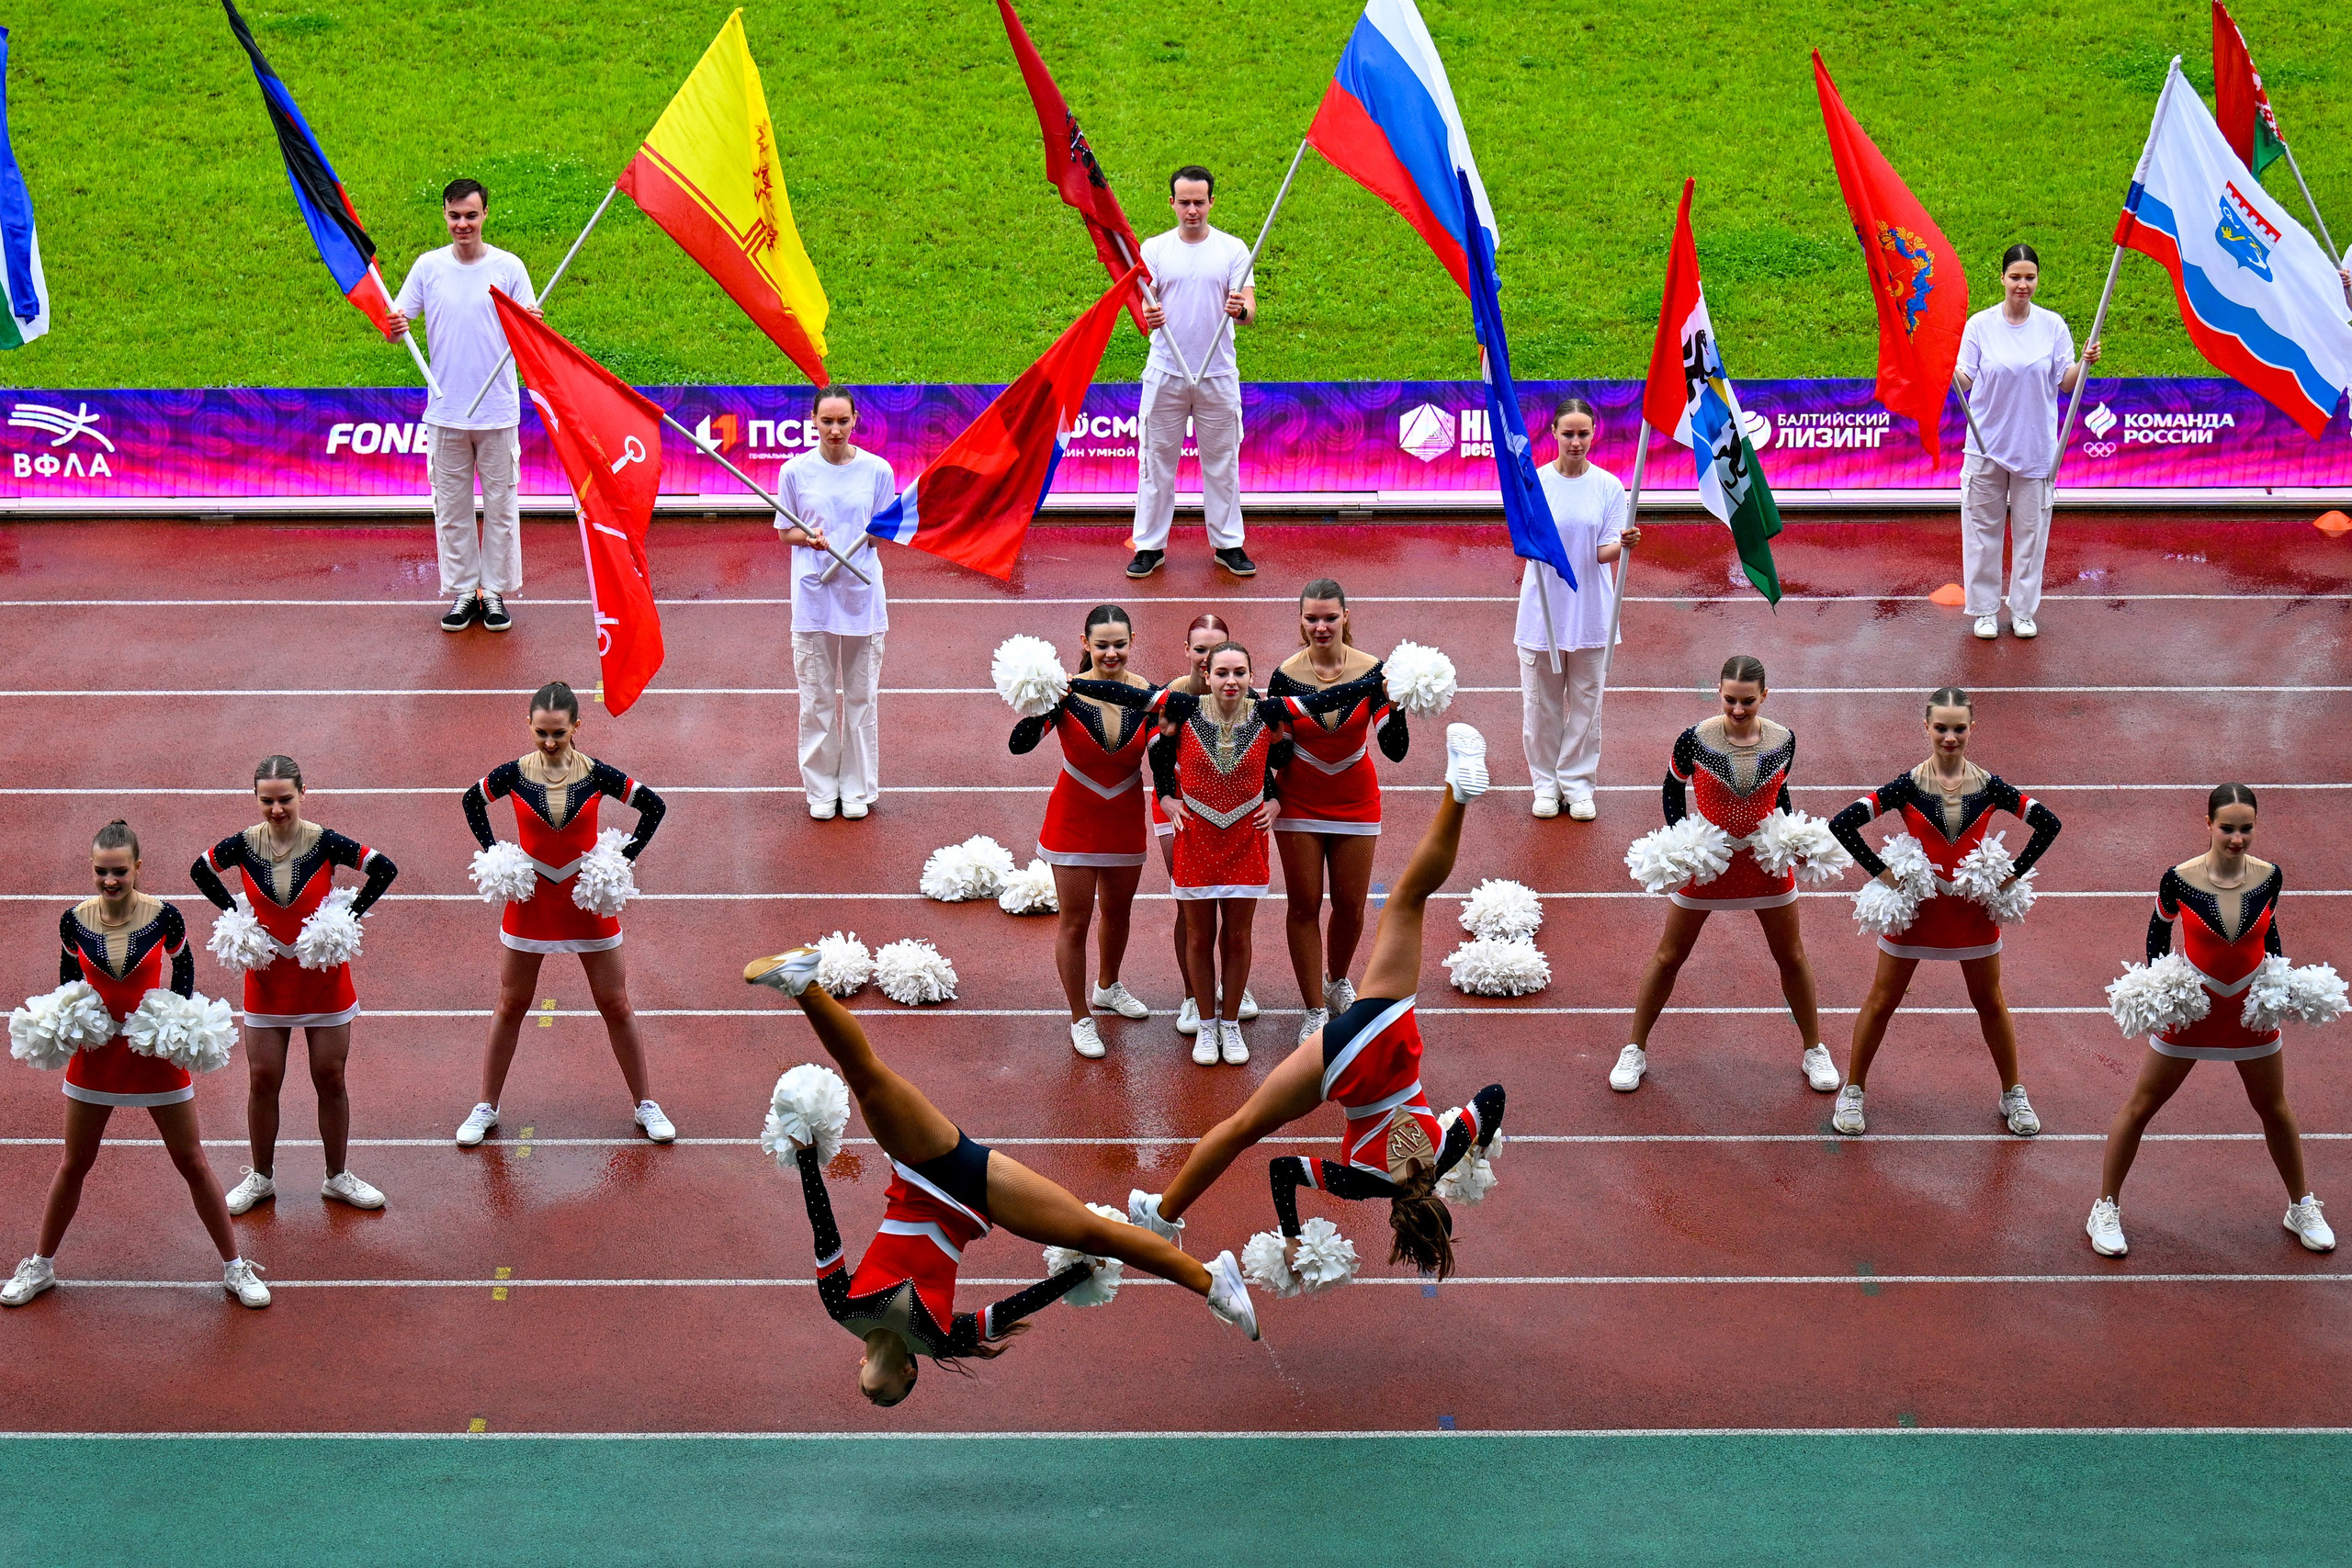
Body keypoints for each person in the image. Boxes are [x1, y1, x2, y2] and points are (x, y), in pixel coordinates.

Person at [744, 945, 1260, 1404]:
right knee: (1097, 1233)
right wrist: (1076, 1275)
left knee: (867, 1077)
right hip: (978, 1194)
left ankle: (804, 982)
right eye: (897, 1396)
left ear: (861, 1364)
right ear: (908, 1371)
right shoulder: (938, 1340)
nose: (882, 1397)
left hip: (922, 1169)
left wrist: (808, 1159)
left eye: (878, 1399)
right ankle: (1213, 1281)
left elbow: (824, 1233)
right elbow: (1006, 1313)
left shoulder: (843, 1308)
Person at [1126, 725, 1498, 1280]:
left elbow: (1492, 1096)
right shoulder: (1361, 1184)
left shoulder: (1447, 1143)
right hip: (1342, 1061)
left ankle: (1457, 797)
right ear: (1397, 1223)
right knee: (1242, 1126)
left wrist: (1474, 1147)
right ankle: (1163, 1214)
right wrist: (1294, 1238)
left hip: (1390, 1024)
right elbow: (1282, 1169)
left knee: (1410, 898)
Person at [3, 822, 269, 1309]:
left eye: (120, 871)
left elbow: (183, 973)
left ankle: (236, 1267)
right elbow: (68, 981)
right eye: (102, 871)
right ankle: (39, 1265)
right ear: (92, 868)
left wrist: (175, 1022)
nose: (110, 880)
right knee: (75, 1163)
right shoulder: (74, 920)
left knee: (192, 1161)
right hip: (97, 1057)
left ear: (137, 868)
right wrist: (70, 1018)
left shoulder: (165, 916)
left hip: (153, 1054)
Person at [2087, 785, 2334, 1258]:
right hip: (2194, 1011)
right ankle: (2104, 1207)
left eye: (2246, 828)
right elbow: (2159, 929)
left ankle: (2300, 1204)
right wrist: (2162, 991)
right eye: (2228, 827)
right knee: (2141, 1106)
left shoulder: (2270, 876)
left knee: (2274, 1108)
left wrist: (2275, 984)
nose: (2237, 838)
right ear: (2208, 824)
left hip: (2247, 1012)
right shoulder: (2179, 879)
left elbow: (2270, 929)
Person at [1827, 687, 2064, 1136]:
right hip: (1916, 912)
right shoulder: (1907, 785)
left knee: (1990, 1002)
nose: (1950, 737)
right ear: (1927, 728)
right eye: (1941, 728)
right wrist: (1883, 874)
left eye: (1959, 729)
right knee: (1882, 1000)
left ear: (1972, 729)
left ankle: (2012, 1092)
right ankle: (1853, 1090)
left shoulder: (1991, 786)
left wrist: (2013, 873)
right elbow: (1843, 824)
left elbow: (2048, 823)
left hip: (1973, 916)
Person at [457, 681, 672, 1147]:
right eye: (541, 733)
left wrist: (621, 859)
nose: (550, 742)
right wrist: (497, 854)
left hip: (586, 902)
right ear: (529, 727)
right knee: (511, 1004)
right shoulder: (512, 774)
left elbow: (653, 806)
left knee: (614, 1003)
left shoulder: (597, 775)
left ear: (577, 725)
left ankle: (646, 1105)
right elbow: (471, 801)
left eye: (559, 732)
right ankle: (486, 1106)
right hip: (530, 901)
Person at [1612, 657, 1838, 1097]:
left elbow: (1780, 789)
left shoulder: (1784, 740)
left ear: (1765, 696)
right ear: (1719, 691)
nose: (1738, 709)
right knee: (1669, 956)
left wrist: (1791, 835)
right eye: (1730, 699)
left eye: (1748, 701)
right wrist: (1681, 841)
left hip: (1764, 862)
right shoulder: (1694, 740)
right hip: (1709, 862)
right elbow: (1672, 786)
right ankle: (1634, 1049)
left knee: (1791, 956)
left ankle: (1815, 1049)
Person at [1075, 644, 1308, 1066]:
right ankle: (1205, 1023)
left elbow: (1285, 751)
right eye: (1222, 672)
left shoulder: (1269, 710)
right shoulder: (1181, 707)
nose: (1231, 681)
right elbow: (1156, 750)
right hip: (1196, 834)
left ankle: (1231, 1024)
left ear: (1252, 674)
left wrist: (1274, 800)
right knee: (1198, 936)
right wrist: (1165, 797)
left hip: (1246, 836)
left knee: (1238, 936)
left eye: (1240, 672)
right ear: (1207, 672)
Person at [188, 756, 400, 1215]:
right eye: (267, 801)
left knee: (330, 1076)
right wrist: (236, 915)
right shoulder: (243, 845)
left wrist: (344, 918)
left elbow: (384, 869)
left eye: (285, 799)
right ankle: (260, 1178)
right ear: (256, 799)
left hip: (323, 980)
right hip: (267, 980)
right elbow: (200, 870)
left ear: (303, 793)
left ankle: (337, 1176)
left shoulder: (325, 842)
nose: (277, 809)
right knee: (263, 1078)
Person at [385, 177, 540, 635]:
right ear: (445, 215)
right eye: (455, 216)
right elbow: (397, 325)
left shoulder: (508, 267)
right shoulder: (428, 267)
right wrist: (392, 324)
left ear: (485, 214)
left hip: (496, 410)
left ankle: (491, 593)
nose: (462, 224)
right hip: (445, 411)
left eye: (471, 215)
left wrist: (531, 324)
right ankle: (462, 592)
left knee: (501, 506)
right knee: (451, 508)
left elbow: (531, 333)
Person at [1009, 605, 1158, 1058]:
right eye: (1102, 645)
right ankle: (1080, 1017)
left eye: (1119, 644)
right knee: (1075, 920)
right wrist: (1037, 710)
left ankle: (1108, 986)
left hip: (1124, 816)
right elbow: (1018, 745)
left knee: (1118, 912)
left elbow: (1166, 756)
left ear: (1132, 642)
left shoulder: (1151, 696)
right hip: (1074, 817)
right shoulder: (1064, 694)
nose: (1111, 653)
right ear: (1084, 644)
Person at [1266, 580, 1408, 1043]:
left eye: (1330, 617)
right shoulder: (1284, 676)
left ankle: (1336, 981)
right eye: (1312, 618)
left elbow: (1395, 749)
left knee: (1349, 905)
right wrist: (1273, 738)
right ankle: (1312, 1009)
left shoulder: (1375, 672)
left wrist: (1397, 701)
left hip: (1355, 799)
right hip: (1299, 801)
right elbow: (1279, 756)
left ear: (1346, 616)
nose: (1321, 627)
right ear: (1300, 621)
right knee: (1304, 905)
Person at [1954, 243, 2101, 642]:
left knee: (2031, 536)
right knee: (1982, 533)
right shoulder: (1979, 325)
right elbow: (1965, 380)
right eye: (2015, 276)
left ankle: (2022, 611)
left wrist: (2083, 363)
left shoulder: (2052, 326)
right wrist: (1946, 370)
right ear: (2002, 278)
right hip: (1985, 445)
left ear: (2037, 280)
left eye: (2029, 277)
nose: (2022, 284)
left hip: (2035, 449)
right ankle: (1984, 610)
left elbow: (2065, 382)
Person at [1128, 165, 1256, 581]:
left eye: (1199, 202)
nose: (1192, 210)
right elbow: (1138, 309)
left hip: (1217, 373)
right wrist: (1146, 312)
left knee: (1223, 464)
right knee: (1156, 463)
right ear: (1172, 203)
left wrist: (1242, 310)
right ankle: (1149, 546)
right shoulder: (1155, 249)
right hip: (1166, 371)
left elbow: (1250, 309)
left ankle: (1228, 544)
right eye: (1184, 202)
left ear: (1211, 202)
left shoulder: (1233, 250)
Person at [775, 389, 896, 821]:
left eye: (842, 421)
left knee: (861, 697)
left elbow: (885, 531)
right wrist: (808, 538)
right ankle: (822, 789)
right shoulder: (795, 472)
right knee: (817, 698)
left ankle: (858, 788)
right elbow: (785, 532)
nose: (834, 430)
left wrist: (869, 534)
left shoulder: (877, 470)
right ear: (813, 421)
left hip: (862, 596)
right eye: (826, 421)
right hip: (814, 597)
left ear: (855, 421)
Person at [1520, 399, 1636, 822]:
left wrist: (1622, 545)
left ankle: (1578, 784)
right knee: (1541, 707)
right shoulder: (1533, 484)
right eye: (1568, 433)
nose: (1575, 441)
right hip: (1543, 612)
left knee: (1588, 705)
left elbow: (1602, 551)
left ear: (1593, 434)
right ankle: (1546, 785)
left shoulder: (1608, 487)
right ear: (1553, 433)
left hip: (1590, 613)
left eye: (1583, 433)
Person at [1152, 614, 1259, 1042]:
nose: (1205, 659)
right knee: (1189, 903)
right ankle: (1193, 995)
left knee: (1232, 907)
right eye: (1199, 650)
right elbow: (1157, 756)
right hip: (1178, 807)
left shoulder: (1246, 700)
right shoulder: (1173, 698)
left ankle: (1230, 989)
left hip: (1231, 811)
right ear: (1188, 651)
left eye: (1215, 651)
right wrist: (1166, 798)